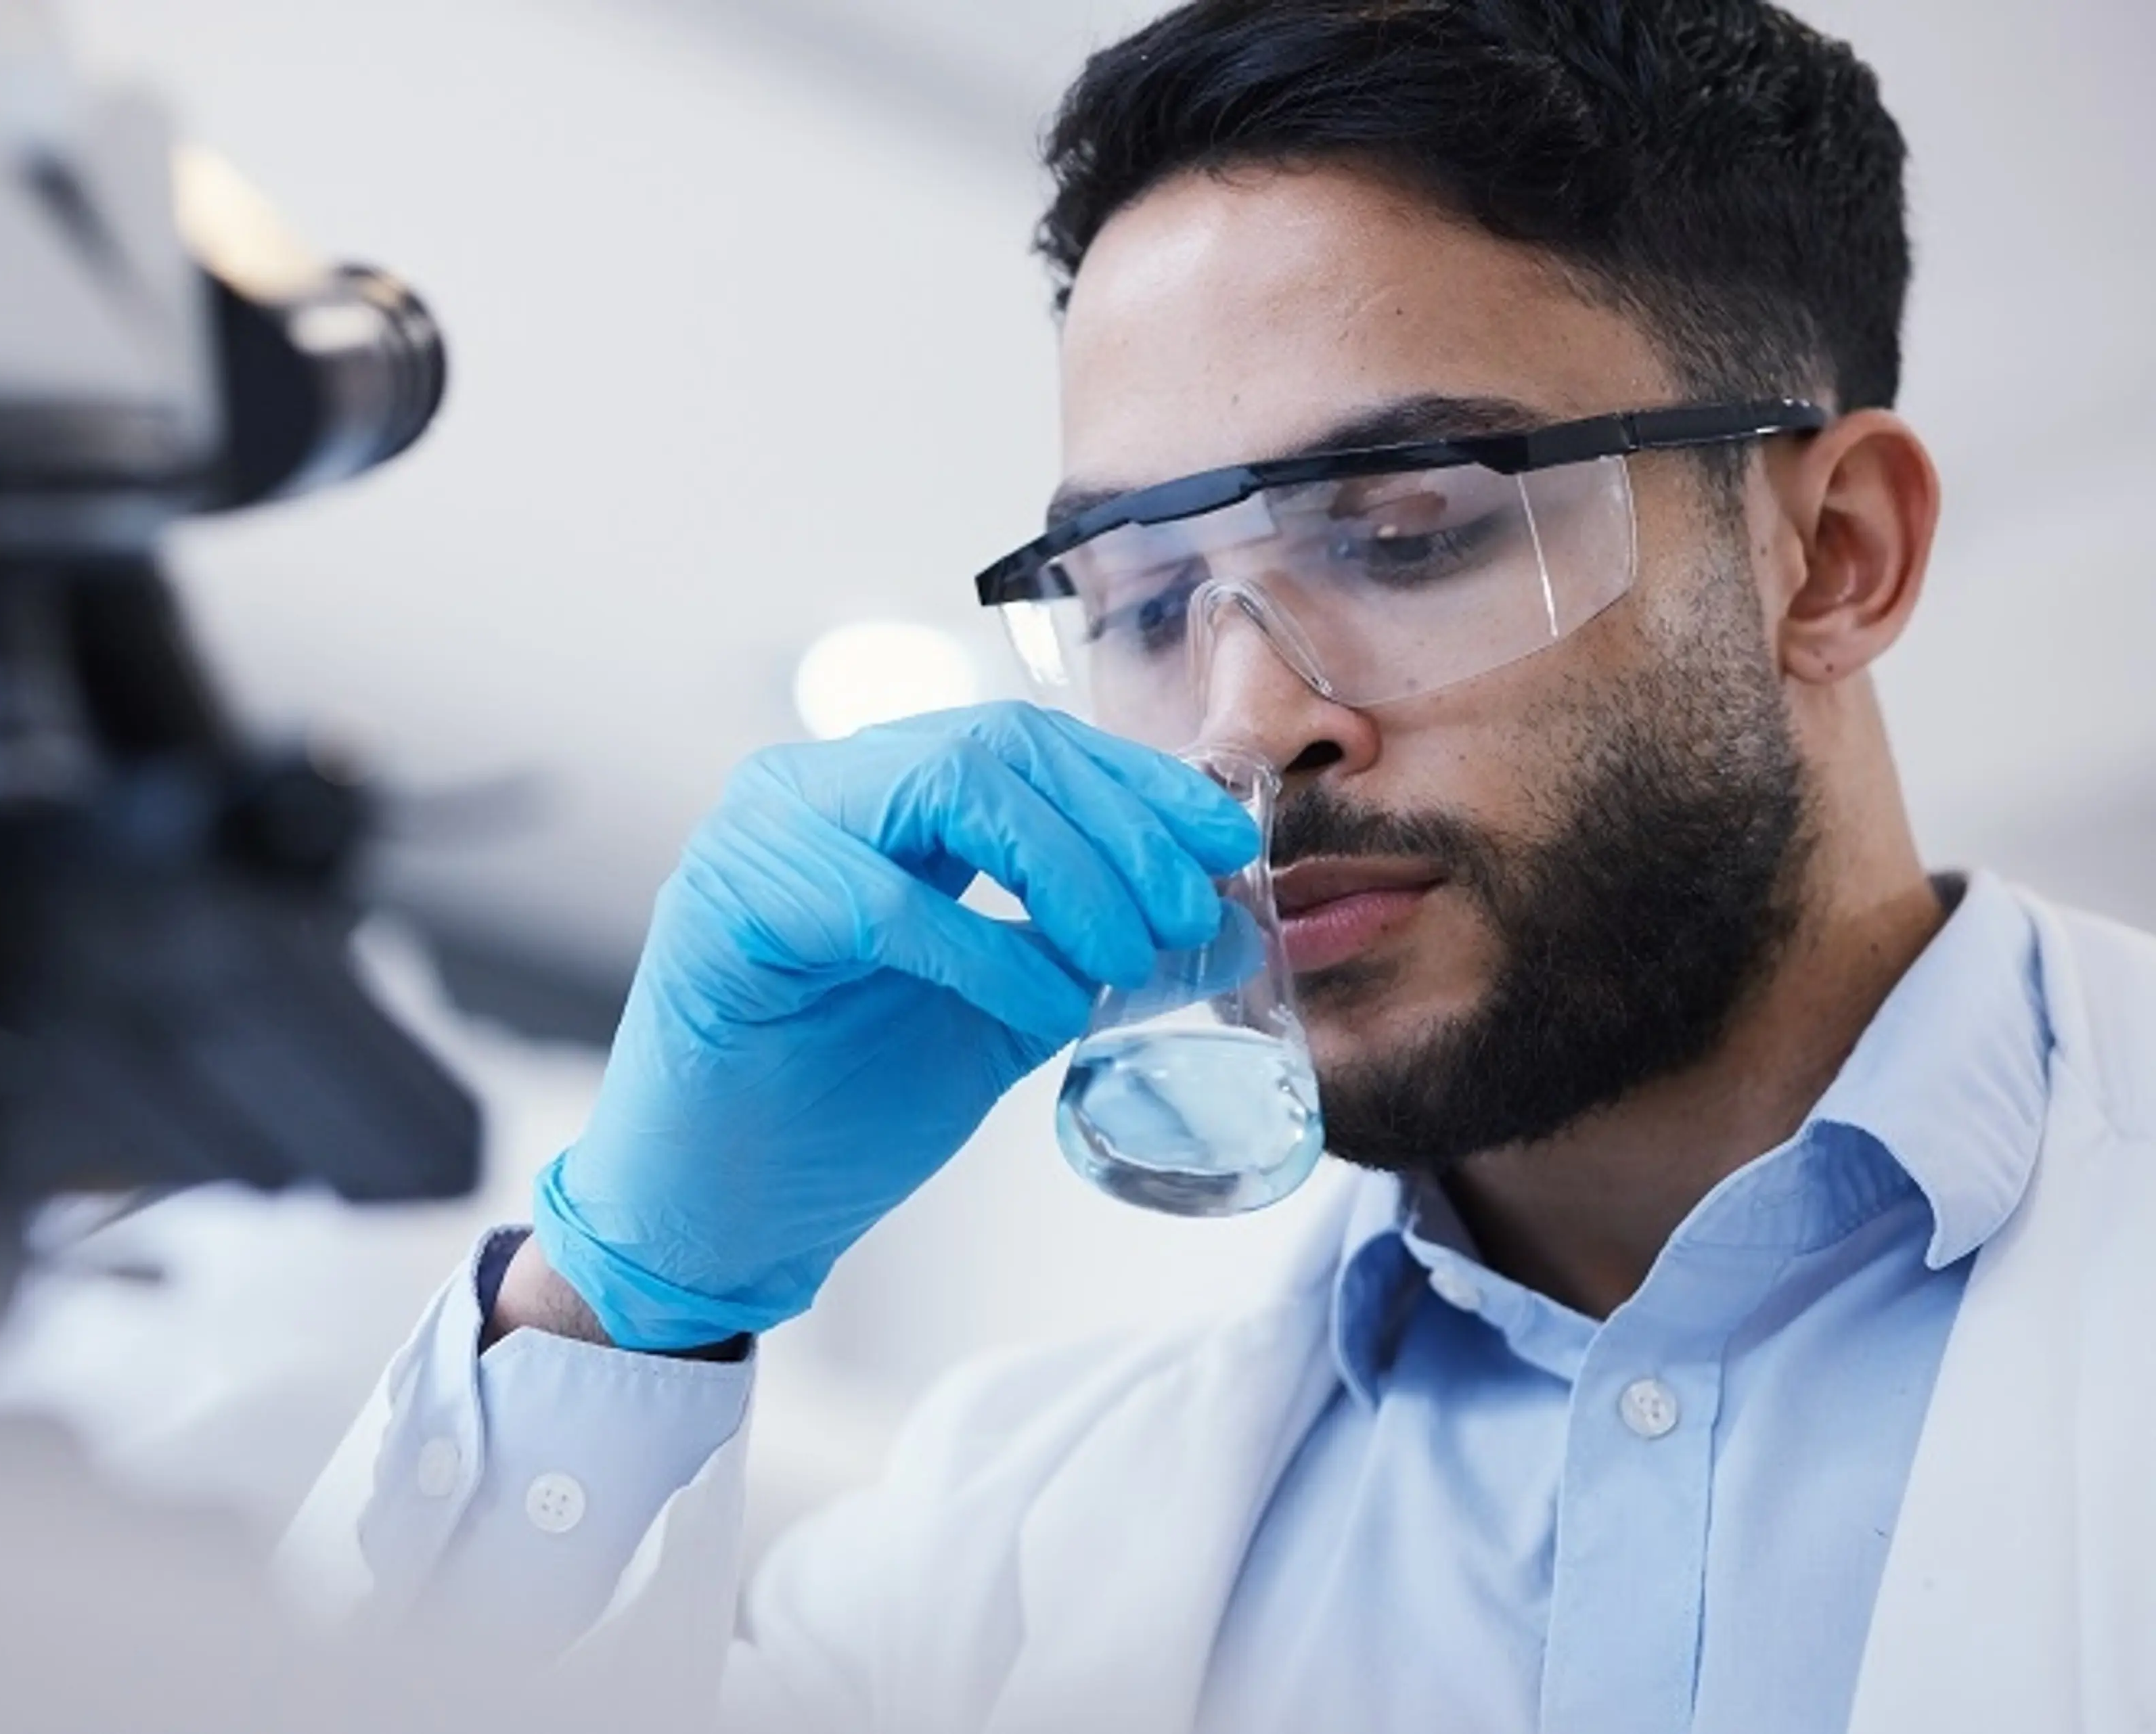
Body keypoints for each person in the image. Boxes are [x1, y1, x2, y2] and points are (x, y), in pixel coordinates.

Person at [313, 3, 2156, 1729]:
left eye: (1411, 532)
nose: (1241, 724)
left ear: (1833, 555)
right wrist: (622, 1302)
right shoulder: (996, 1559)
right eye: (1142, 598)